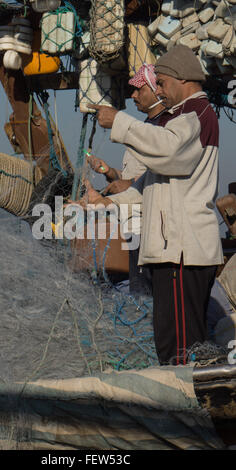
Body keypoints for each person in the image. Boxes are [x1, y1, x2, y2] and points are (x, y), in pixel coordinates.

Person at [87, 45, 224, 366]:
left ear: (180, 79)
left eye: (160, 82)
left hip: (181, 251)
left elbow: (170, 152)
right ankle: (192, 402)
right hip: (175, 250)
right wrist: (101, 204)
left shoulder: (194, 114)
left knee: (179, 344)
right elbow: (148, 188)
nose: (158, 90)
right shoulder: (185, 117)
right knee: (174, 338)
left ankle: (187, 406)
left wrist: (119, 123)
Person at [84, 64, 165, 295]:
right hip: (132, 221)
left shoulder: (163, 128)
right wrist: (108, 171)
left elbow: (161, 175)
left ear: (154, 90)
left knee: (145, 291)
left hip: (148, 225)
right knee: (138, 286)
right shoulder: (145, 128)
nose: (133, 95)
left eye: (139, 90)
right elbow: (130, 177)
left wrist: (125, 186)